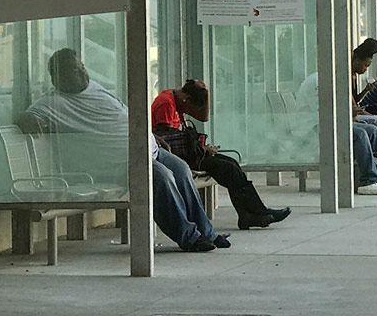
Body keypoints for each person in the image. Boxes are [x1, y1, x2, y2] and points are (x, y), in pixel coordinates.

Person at [18, 48, 227, 252]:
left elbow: (124, 117)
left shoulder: (96, 88)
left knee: (181, 169)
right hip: (115, 165)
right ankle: (189, 237)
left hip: (147, 150)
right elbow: (27, 118)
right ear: (57, 77)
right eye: (74, 69)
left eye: (81, 66)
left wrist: (151, 136)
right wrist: (28, 121)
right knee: (161, 176)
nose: (82, 71)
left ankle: (206, 232)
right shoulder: (50, 103)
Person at [152, 80, 292, 229]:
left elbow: (203, 117)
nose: (187, 111)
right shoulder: (166, 103)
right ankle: (256, 213)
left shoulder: (178, 99)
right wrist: (202, 149)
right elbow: (167, 140)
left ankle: (251, 213)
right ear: (187, 99)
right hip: (177, 157)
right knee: (227, 169)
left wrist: (207, 92)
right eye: (188, 107)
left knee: (232, 164)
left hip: (188, 153)